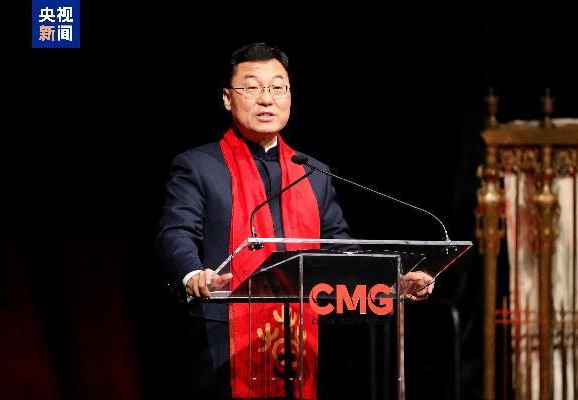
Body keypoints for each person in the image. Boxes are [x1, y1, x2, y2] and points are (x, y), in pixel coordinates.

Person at [157, 42, 434, 399]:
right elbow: (176, 233)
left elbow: (340, 249)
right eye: (251, 88)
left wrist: (391, 281)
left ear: (289, 96)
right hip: (221, 342)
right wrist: (194, 274)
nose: (266, 99)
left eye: (277, 87)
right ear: (227, 98)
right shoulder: (198, 167)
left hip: (300, 338)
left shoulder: (312, 172)